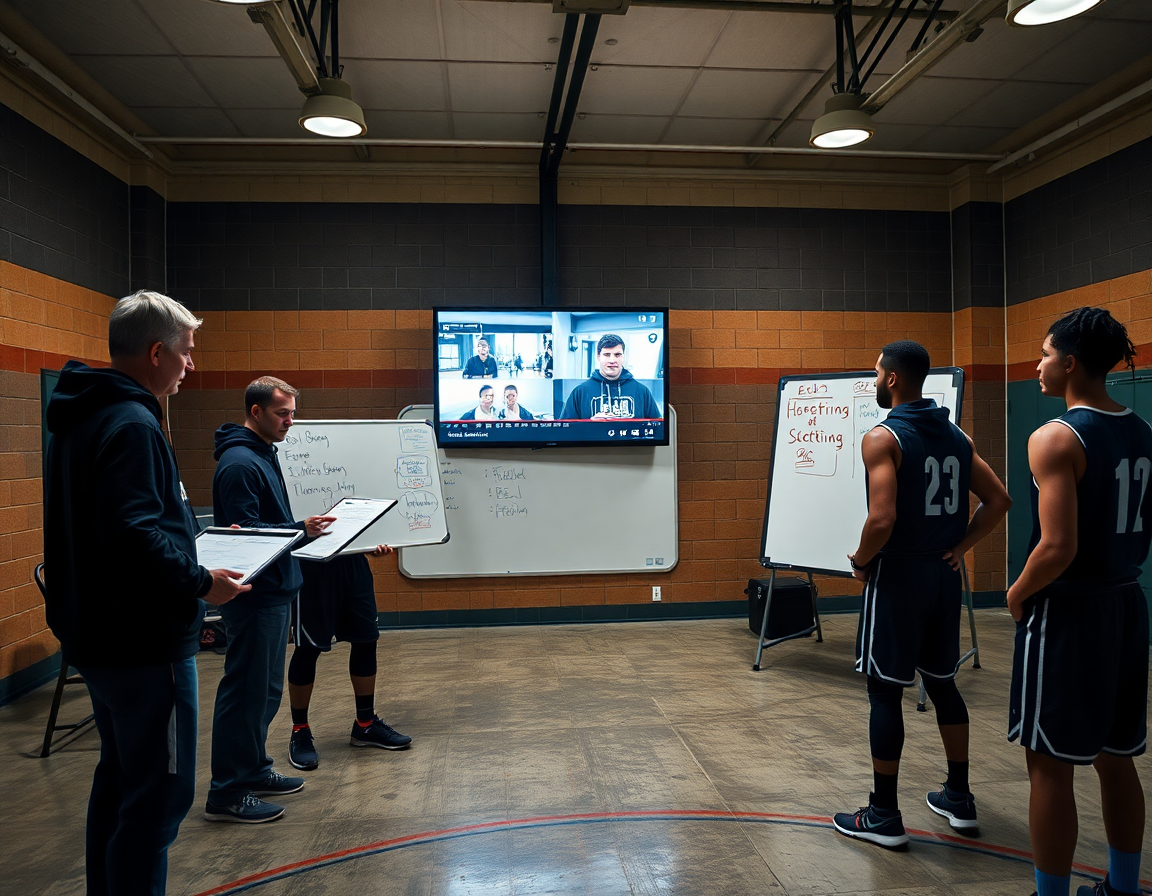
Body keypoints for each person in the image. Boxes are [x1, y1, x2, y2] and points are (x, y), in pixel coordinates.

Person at [43, 290, 250, 896]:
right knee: (159, 795)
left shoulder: (82, 415)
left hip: (99, 639)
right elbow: (133, 533)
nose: (192, 365)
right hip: (145, 645)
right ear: (157, 352)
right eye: (186, 354)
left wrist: (194, 535)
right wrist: (201, 581)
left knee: (119, 781)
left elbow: (125, 521)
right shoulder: (133, 423)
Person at [833, 341, 1011, 849]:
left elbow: (882, 518)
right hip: (941, 577)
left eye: (875, 372)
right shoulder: (957, 435)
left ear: (892, 379)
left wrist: (863, 561)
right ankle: (959, 795)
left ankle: (884, 815)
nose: (873, 379)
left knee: (885, 690)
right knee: (943, 684)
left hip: (900, 577)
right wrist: (962, 545)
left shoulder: (883, 436)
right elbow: (1000, 499)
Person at [1007, 308, 1150, 896]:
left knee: (1049, 764)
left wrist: (1017, 594)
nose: (1037, 364)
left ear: (1069, 363)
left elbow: (1057, 546)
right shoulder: (1143, 431)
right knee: (1117, 758)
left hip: (1070, 612)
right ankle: (1122, 887)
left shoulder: (1056, 436)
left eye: (1044, 353)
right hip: (1125, 604)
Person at [207, 377, 335, 824]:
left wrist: (299, 527)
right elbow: (243, 535)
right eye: (282, 413)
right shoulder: (241, 463)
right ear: (256, 411)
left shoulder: (262, 453)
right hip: (254, 596)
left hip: (275, 592)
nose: (290, 422)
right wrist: (299, 529)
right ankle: (226, 792)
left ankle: (254, 769)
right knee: (245, 694)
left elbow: (265, 523)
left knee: (264, 693)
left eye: (293, 413)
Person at [287, 547, 412, 770]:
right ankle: (300, 729)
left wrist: (373, 543)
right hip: (312, 566)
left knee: (366, 640)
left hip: (354, 564)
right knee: (307, 648)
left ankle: (365, 724)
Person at [559, 334, 661, 420]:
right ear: (598, 357)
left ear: (623, 357)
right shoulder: (580, 392)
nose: (612, 360)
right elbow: (565, 432)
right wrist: (590, 424)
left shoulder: (642, 392)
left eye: (617, 355)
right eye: (607, 354)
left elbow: (657, 429)